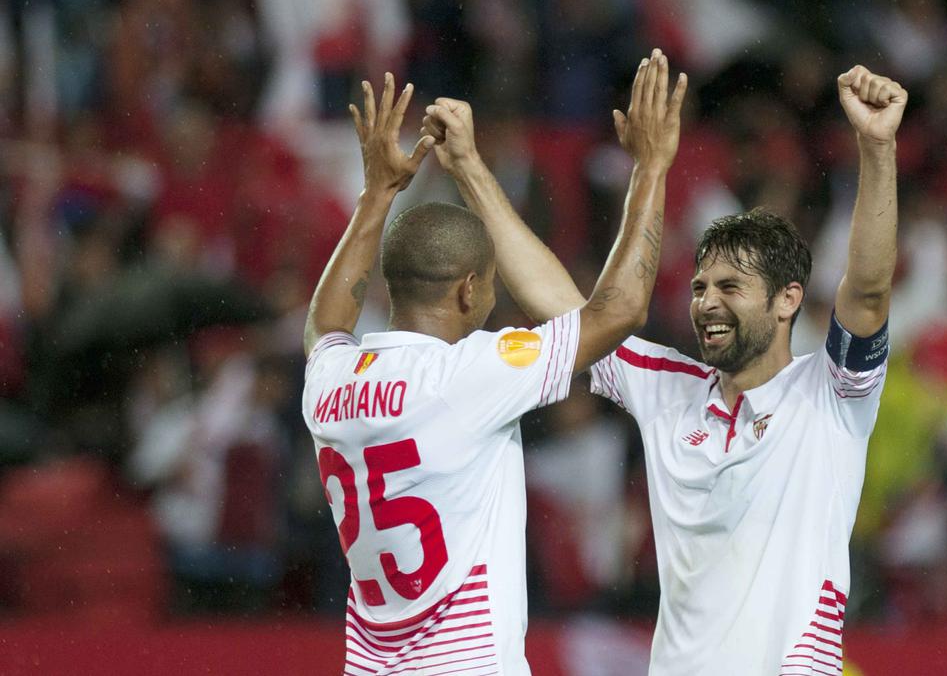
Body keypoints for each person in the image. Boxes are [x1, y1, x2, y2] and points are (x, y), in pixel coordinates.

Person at [433, 63, 904, 675]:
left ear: (788, 299)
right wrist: (471, 169)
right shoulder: (666, 388)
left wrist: (876, 145)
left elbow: (866, 292)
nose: (707, 302)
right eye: (701, 285)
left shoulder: (832, 395)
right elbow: (562, 306)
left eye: (731, 286)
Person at [302, 52, 687, 676]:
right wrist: (651, 166)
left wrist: (377, 195)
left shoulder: (330, 381)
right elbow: (617, 311)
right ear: (468, 292)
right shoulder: (470, 376)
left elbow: (325, 322)